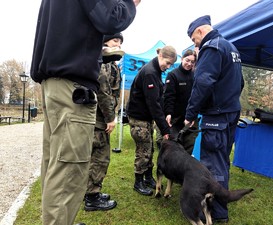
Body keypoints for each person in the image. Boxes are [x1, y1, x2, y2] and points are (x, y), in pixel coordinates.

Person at [30, 0, 137, 224]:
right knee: (68, 174)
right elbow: (112, 18)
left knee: (55, 167)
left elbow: (68, 35)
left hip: (54, 85)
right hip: (73, 89)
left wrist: (97, 54)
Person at [184, 15, 244, 223]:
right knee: (223, 160)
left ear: (200, 31)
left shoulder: (211, 47)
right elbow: (241, 83)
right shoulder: (231, 48)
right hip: (231, 113)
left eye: (194, 39)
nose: (195, 43)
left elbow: (202, 83)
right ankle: (219, 208)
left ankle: (217, 213)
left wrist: (190, 114)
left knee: (212, 166)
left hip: (216, 116)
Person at [126, 46, 177, 196]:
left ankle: (148, 178)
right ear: (160, 55)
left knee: (149, 149)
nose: (167, 67)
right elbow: (153, 105)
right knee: (143, 150)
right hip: (139, 118)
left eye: (170, 65)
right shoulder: (150, 73)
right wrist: (165, 129)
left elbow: (158, 99)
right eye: (167, 63)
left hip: (146, 118)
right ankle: (138, 182)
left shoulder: (156, 71)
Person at [84, 33, 124, 212]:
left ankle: (91, 192)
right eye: (116, 40)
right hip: (99, 119)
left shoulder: (110, 62)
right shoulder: (102, 60)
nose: (118, 44)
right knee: (100, 158)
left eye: (121, 42)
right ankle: (92, 197)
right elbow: (103, 91)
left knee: (97, 157)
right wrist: (110, 118)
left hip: (99, 118)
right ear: (105, 40)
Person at [163, 49, 198, 155]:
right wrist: (168, 113)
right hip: (176, 118)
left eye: (192, 62)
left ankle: (184, 169)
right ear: (182, 59)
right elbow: (169, 96)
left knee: (189, 145)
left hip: (191, 117)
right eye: (187, 60)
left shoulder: (195, 76)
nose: (189, 64)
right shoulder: (173, 75)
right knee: (173, 146)